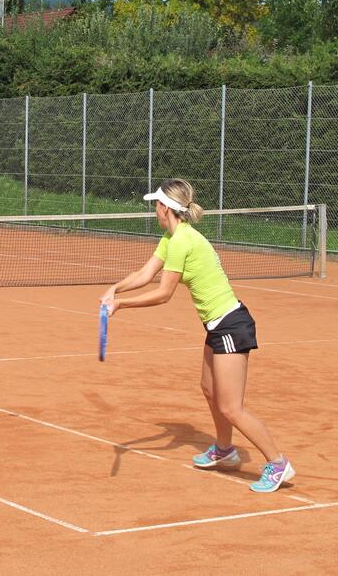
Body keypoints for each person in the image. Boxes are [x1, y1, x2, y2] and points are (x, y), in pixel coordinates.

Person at [101, 178, 294, 493]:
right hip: (217, 326)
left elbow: (163, 293)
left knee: (232, 407)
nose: (154, 210)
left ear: (165, 208)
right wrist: (115, 288)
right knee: (209, 388)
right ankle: (224, 449)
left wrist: (120, 304)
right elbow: (145, 273)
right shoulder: (171, 236)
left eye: (156, 205)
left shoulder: (183, 242)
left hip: (232, 325)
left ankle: (277, 463)